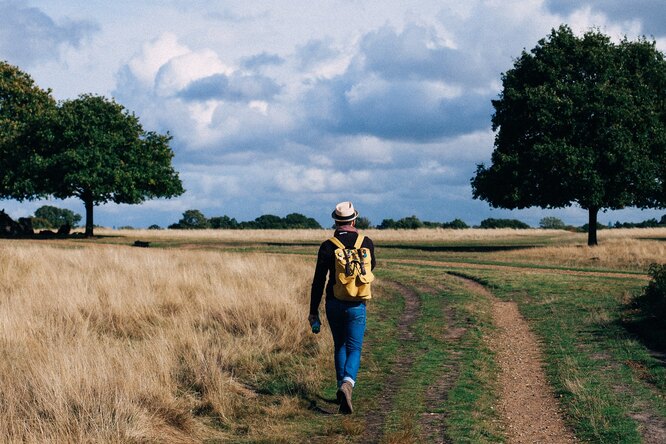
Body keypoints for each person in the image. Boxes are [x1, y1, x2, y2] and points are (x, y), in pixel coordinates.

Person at [309, 201, 376, 414]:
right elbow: (370, 267)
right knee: (355, 347)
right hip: (357, 303)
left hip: (334, 302)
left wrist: (313, 311)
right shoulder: (367, 243)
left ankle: (341, 388)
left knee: (340, 345)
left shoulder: (328, 245)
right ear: (354, 219)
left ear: (336, 222)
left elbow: (318, 280)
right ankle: (348, 384)